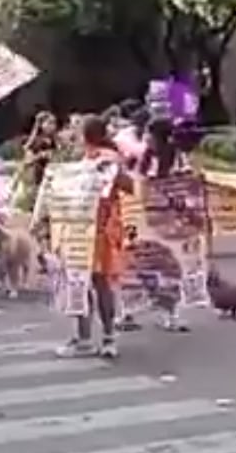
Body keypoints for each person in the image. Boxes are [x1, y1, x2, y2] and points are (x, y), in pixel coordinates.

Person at [55, 116, 131, 358]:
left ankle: (98, 338)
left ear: (85, 135)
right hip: (85, 228)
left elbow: (126, 185)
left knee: (94, 282)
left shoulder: (106, 159)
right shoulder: (86, 160)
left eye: (76, 131)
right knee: (86, 282)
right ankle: (91, 337)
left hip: (99, 229)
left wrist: (110, 177)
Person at [138, 117, 197, 333]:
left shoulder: (178, 159)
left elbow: (188, 186)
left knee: (170, 267)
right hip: (147, 218)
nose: (146, 138)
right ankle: (141, 305)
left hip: (171, 220)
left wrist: (181, 203)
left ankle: (171, 313)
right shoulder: (145, 158)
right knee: (144, 266)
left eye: (149, 134)